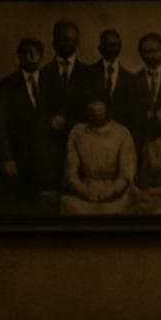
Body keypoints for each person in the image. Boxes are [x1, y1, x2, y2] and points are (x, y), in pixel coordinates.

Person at [36, 18, 99, 191]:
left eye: (70, 39)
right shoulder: (41, 74)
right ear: (53, 42)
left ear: (77, 42)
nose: (66, 43)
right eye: (62, 39)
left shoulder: (89, 74)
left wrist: (69, 122)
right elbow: (37, 110)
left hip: (81, 145)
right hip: (50, 147)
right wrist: (50, 121)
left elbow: (92, 110)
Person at [0, 37, 45, 215]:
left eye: (35, 53)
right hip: (18, 157)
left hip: (44, 158)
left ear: (41, 56)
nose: (31, 56)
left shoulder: (50, 82)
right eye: (27, 52)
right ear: (19, 56)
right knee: (20, 208)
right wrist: (6, 158)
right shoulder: (6, 86)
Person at [60, 98, 137, 214]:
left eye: (100, 108)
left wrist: (109, 194)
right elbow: (70, 173)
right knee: (68, 203)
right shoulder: (77, 133)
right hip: (86, 191)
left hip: (115, 193)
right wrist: (85, 192)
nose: (97, 111)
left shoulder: (122, 133)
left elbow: (126, 174)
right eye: (93, 106)